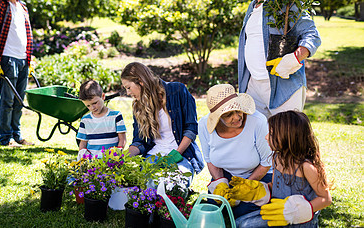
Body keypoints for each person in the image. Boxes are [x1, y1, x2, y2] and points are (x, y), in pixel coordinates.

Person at [238, 0, 321, 118]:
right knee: (260, 140)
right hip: (254, 86)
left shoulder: (286, 4)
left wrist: (295, 58)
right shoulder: (252, 6)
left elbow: (312, 35)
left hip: (283, 88)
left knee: (286, 140)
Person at [233, 111, 332, 227]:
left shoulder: (307, 167)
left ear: (288, 137)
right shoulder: (277, 158)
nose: (266, 137)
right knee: (239, 223)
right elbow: (276, 186)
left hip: (299, 222)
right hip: (278, 215)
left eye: (271, 133)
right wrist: (258, 191)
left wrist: (296, 212)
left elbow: (326, 199)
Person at [120, 62, 204, 183]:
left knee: (174, 183)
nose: (128, 93)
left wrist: (175, 154)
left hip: (181, 154)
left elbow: (191, 129)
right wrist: (123, 157)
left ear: (140, 81)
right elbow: (140, 141)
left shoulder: (178, 91)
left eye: (128, 87)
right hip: (154, 155)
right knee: (145, 184)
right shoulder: (139, 107)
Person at [198, 84, 273, 218]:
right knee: (215, 208)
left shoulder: (257, 121)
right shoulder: (204, 125)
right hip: (227, 176)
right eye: (228, 115)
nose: (237, 117)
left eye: (238, 110)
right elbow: (210, 160)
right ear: (218, 117)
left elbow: (266, 162)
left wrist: (245, 186)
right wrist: (220, 182)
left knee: (238, 212)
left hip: (258, 175)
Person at [0, 0, 34, 147]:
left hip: (23, 59)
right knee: (7, 100)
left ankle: (17, 134)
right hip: (7, 58)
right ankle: (5, 137)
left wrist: (29, 59)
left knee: (19, 100)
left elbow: (26, 33)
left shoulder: (23, 7)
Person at [76, 80, 127, 160]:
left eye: (95, 103)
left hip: (111, 161)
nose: (92, 108)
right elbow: (83, 143)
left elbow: (122, 139)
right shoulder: (85, 120)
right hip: (92, 163)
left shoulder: (116, 116)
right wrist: (82, 158)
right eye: (88, 106)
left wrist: (116, 154)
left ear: (103, 96)